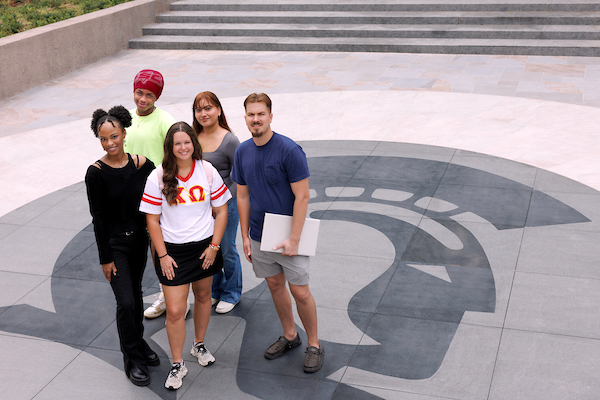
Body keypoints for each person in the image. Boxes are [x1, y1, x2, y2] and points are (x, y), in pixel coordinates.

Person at [231, 93, 324, 373]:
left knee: (300, 291)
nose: (256, 119)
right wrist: (246, 236)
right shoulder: (242, 151)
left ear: (271, 116)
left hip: (289, 234)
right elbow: (243, 197)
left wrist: (295, 238)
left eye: (261, 114)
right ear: (245, 117)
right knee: (274, 286)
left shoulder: (288, 150)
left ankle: (315, 344)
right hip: (261, 235)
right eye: (251, 114)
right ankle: (290, 336)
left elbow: (303, 197)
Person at [140, 121, 231, 390]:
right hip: (173, 252)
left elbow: (222, 211)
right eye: (177, 143)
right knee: (176, 310)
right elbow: (152, 221)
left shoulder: (207, 170)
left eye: (187, 142)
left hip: (204, 248)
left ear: (194, 144)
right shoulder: (157, 176)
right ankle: (177, 363)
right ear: (170, 146)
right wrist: (163, 255)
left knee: (204, 297)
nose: (183, 147)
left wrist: (214, 247)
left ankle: (198, 345)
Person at [85, 105, 159, 386]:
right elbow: (98, 219)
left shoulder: (143, 165)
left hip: (139, 241)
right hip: (115, 245)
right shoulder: (96, 173)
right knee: (125, 301)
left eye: (114, 136)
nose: (110, 143)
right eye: (104, 139)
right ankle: (133, 359)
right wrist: (105, 258)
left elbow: (157, 197)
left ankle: (138, 343)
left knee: (137, 297)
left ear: (124, 133)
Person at [124, 69, 176, 319]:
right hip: (131, 195)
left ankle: (171, 297)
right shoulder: (125, 119)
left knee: (161, 248)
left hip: (157, 195)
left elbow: (176, 153)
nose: (142, 99)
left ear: (157, 97)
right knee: (139, 248)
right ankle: (164, 294)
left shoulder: (165, 121)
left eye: (149, 95)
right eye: (139, 92)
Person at [192, 91, 242, 314]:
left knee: (227, 248)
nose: (204, 113)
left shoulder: (230, 140)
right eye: (199, 109)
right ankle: (214, 290)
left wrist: (221, 201)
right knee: (206, 249)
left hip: (227, 205)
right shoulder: (193, 138)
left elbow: (240, 178)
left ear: (219, 110)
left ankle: (232, 292)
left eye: (208, 108)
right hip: (200, 207)